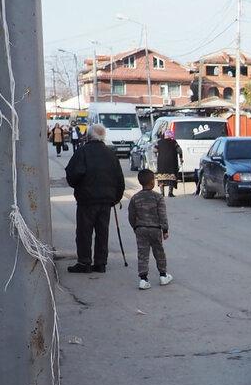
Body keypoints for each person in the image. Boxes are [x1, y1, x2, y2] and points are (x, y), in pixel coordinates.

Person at [64, 123, 125, 273]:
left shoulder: (82, 152)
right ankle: (100, 263)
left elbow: (72, 174)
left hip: (87, 200)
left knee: (84, 232)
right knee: (102, 231)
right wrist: (116, 198)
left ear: (88, 135)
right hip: (106, 201)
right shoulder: (111, 154)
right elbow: (119, 179)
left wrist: (78, 186)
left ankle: (84, 263)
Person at [128, 169, 173, 290]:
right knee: (159, 252)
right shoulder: (158, 197)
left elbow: (131, 215)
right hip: (155, 229)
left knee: (142, 253)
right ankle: (163, 275)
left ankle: (143, 279)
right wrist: (165, 230)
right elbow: (162, 215)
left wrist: (135, 227)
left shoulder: (135, 198)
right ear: (152, 182)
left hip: (141, 229)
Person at [154, 130, 184, 197]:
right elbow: (180, 150)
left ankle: (162, 193)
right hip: (172, 162)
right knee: (171, 177)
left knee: (161, 177)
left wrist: (156, 155)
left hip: (161, 162)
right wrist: (181, 158)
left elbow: (154, 150)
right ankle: (170, 193)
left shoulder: (159, 142)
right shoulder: (174, 142)